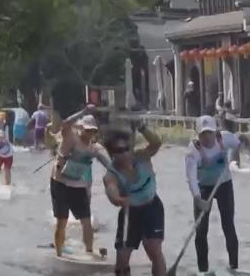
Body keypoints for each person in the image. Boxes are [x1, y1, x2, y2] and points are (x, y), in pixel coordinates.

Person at [186, 115, 250, 274]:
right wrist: (197, 198)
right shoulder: (193, 150)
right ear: (197, 133)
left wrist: (247, 144)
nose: (207, 137)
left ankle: (234, 266)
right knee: (201, 230)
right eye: (203, 134)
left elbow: (239, 144)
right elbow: (191, 178)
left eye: (209, 132)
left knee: (228, 224)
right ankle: (203, 270)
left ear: (215, 131)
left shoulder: (225, 138)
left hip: (224, 184)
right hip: (202, 188)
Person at [103, 122, 166, 276]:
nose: (124, 153)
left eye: (127, 149)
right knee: (122, 259)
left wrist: (142, 128)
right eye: (119, 151)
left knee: (154, 250)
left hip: (152, 207)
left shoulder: (142, 156)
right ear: (112, 154)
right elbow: (112, 192)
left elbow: (156, 143)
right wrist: (119, 200)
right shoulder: (111, 174)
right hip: (130, 212)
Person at [51, 109, 110, 258]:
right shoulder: (70, 137)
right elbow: (65, 123)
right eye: (86, 130)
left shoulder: (95, 148)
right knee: (62, 221)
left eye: (92, 131)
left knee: (86, 221)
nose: (89, 133)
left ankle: (89, 252)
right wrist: (83, 111)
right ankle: (59, 254)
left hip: (78, 186)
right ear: (80, 128)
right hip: (60, 183)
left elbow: (110, 165)